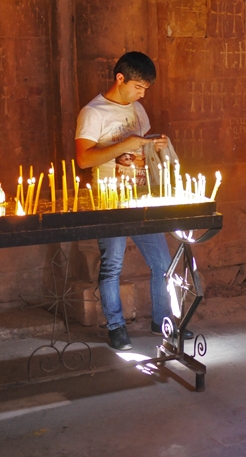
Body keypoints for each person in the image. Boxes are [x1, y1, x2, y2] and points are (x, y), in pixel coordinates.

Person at [75, 51, 192, 351]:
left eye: (145, 90)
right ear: (120, 78)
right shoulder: (93, 112)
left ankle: (161, 320)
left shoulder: (138, 111)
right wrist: (122, 145)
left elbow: (142, 151)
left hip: (140, 198)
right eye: (138, 87)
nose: (142, 94)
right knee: (112, 264)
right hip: (110, 199)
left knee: (163, 263)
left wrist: (157, 143)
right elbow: (84, 159)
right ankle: (116, 326)